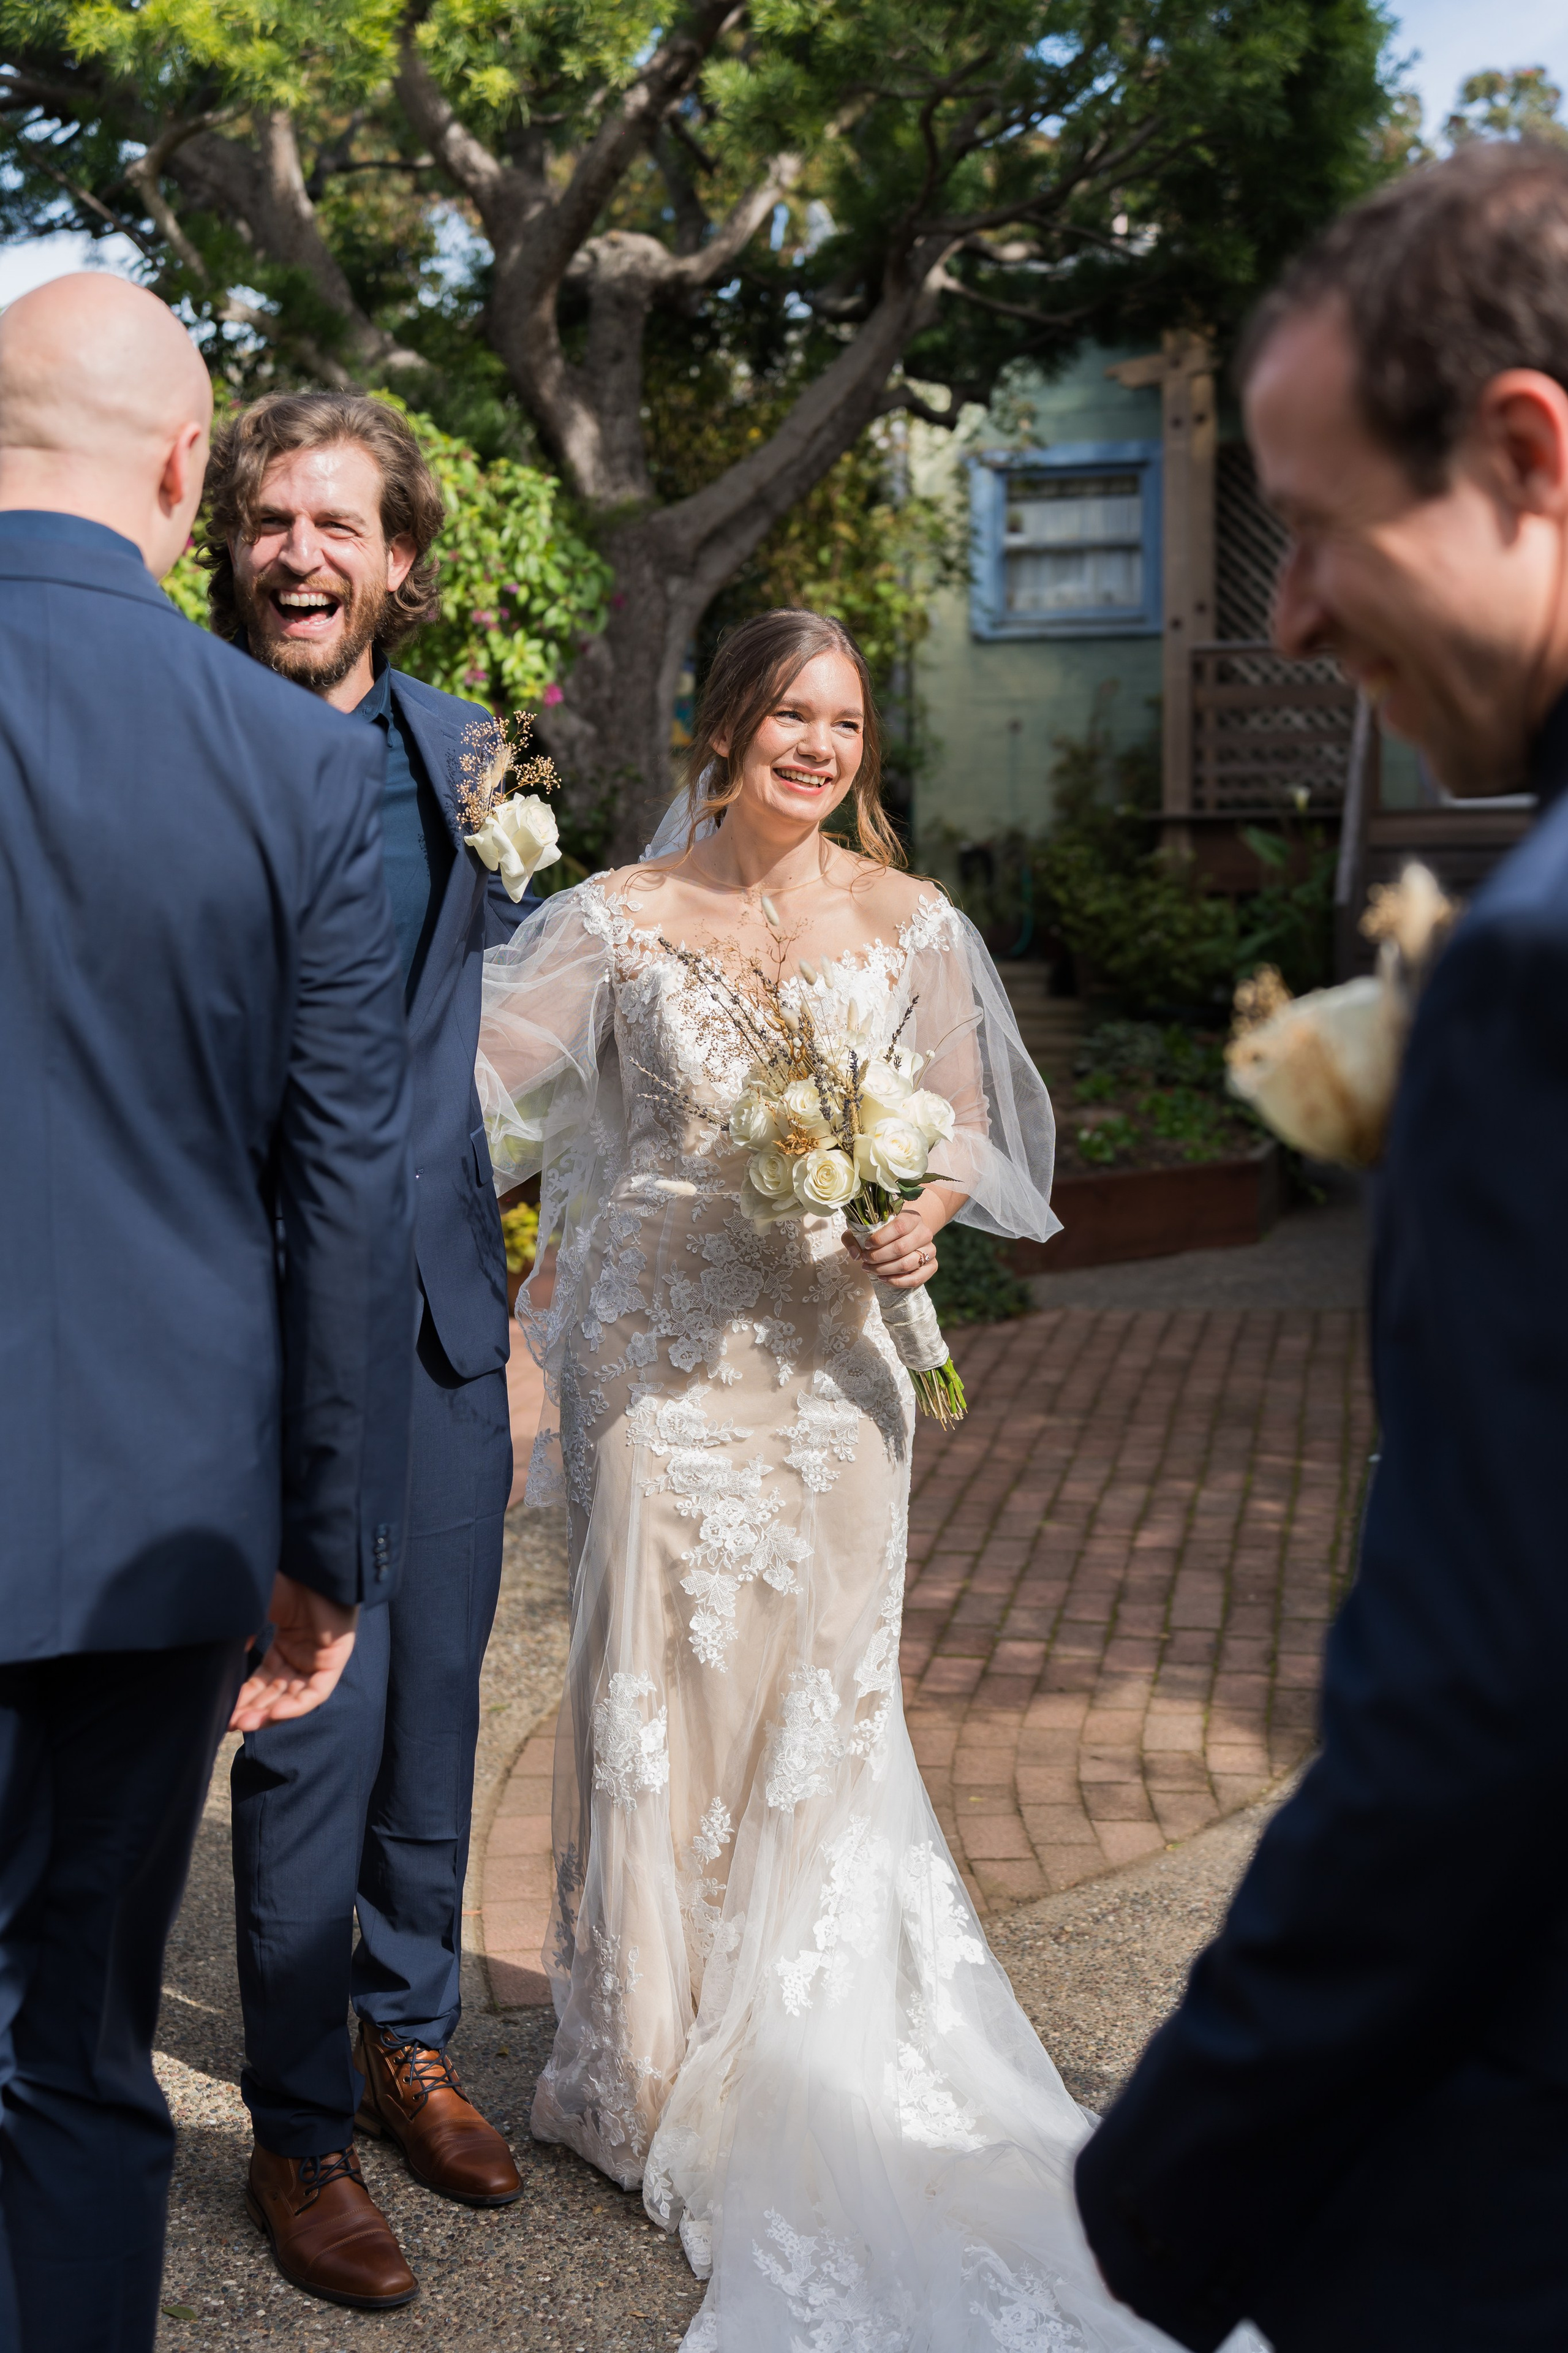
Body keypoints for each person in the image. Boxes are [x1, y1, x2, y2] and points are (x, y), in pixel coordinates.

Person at [476, 608, 1237, 2351]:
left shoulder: (915, 926)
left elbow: (969, 1125)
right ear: (725, 726)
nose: (815, 745)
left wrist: (926, 1198)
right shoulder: (614, 921)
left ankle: (802, 2038)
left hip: (837, 1373)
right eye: (787, 713)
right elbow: (484, 1094)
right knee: (650, 1694)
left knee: (820, 1698)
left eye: (842, 721)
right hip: (659, 1368)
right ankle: (641, 2062)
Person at [1074, 139, 1568, 2352]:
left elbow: (1479, 1694)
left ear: (1524, 453)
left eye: (1321, 529)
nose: (1284, 616)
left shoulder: (1536, 972)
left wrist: (1182, 2169)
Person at [0, 279, 414, 2353]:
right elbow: (339, 1188)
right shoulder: (286, 762)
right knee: (80, 2041)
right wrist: (320, 1545)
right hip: (157, 1515)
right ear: (186, 473)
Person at [208, 393, 541, 2311]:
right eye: (274, 519)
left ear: (402, 561)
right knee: (303, 1723)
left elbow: (493, 1037)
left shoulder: (471, 757)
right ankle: (295, 2127)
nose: (305, 554)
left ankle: (401, 2036)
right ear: (232, 541)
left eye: (342, 524)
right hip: (241, 1321)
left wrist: (525, 1279)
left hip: (435, 1317)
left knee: (437, 1712)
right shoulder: (178, 741)